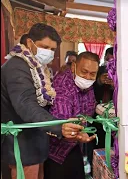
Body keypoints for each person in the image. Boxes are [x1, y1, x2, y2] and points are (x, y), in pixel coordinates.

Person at [1, 23, 84, 179]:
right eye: (44, 47)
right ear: (30, 43)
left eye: (52, 49)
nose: (48, 53)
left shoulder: (38, 67)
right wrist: (59, 126)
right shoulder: (17, 67)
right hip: (21, 143)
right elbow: (26, 105)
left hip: (33, 140)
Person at [44, 51, 99, 179]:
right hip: (57, 150)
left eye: (92, 74)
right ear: (73, 66)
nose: (87, 77)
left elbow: (89, 108)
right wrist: (78, 133)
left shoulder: (88, 85)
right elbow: (62, 124)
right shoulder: (63, 85)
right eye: (84, 72)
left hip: (76, 145)